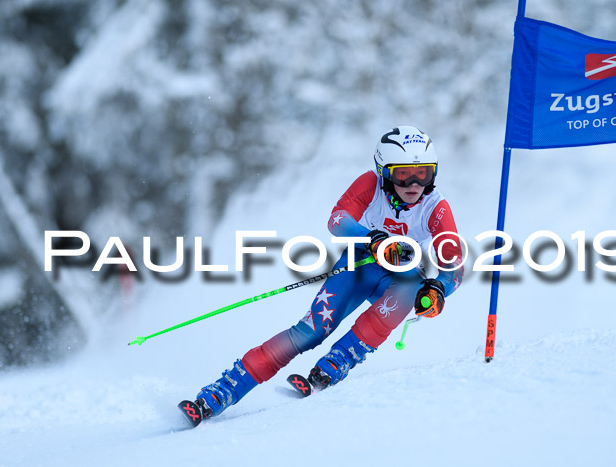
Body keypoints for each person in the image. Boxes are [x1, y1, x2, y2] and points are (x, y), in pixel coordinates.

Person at [192, 126, 463, 419]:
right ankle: (227, 387)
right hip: (360, 267)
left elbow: (455, 266)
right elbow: (336, 220)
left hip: (401, 277)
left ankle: (340, 360)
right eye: (402, 175)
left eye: (423, 174)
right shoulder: (370, 184)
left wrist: (437, 290)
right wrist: (369, 237)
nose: (413, 184)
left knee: (411, 290)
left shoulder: (435, 207)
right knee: (310, 331)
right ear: (384, 173)